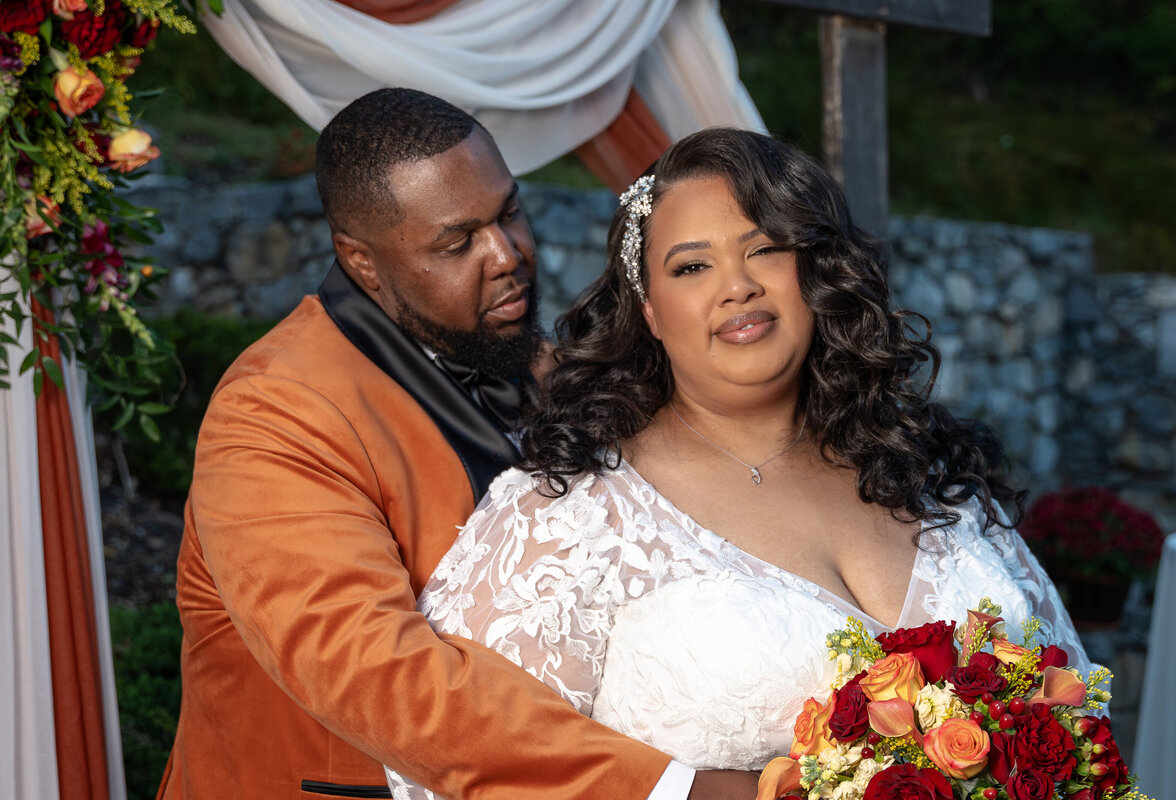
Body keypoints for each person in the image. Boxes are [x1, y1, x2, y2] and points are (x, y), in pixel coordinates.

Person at [396, 127, 1098, 798]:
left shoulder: (928, 475)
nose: (737, 286)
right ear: (648, 310)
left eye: (763, 249)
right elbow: (458, 767)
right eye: (693, 265)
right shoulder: (567, 513)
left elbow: (1079, 720)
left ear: (813, 270)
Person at [158, 89, 753, 800]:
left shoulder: (542, 365)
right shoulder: (273, 414)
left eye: (509, 213)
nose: (508, 256)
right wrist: (677, 790)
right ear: (362, 261)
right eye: (456, 242)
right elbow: (382, 680)